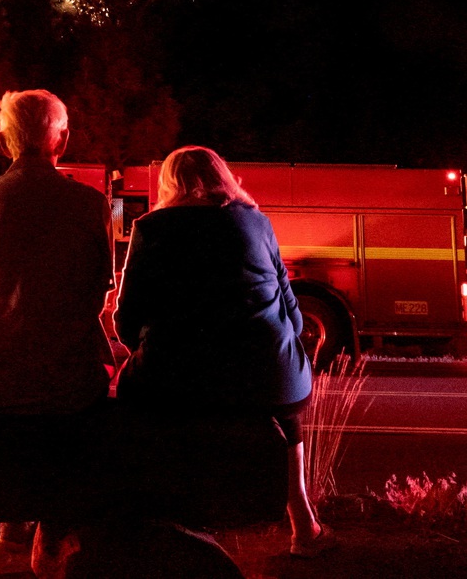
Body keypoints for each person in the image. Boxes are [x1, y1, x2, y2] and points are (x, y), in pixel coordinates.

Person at [113, 145, 333, 557]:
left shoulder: (151, 228)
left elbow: (127, 323)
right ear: (223, 178)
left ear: (169, 184)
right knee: (280, 397)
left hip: (177, 379)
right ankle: (304, 525)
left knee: (131, 397)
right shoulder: (257, 222)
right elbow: (296, 319)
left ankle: (157, 515)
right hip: (269, 380)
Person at [0, 90, 114, 577]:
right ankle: (53, 526)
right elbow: (97, 296)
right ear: (61, 139)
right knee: (82, 395)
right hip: (68, 385)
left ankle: (15, 518)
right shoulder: (89, 205)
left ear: (5, 140)